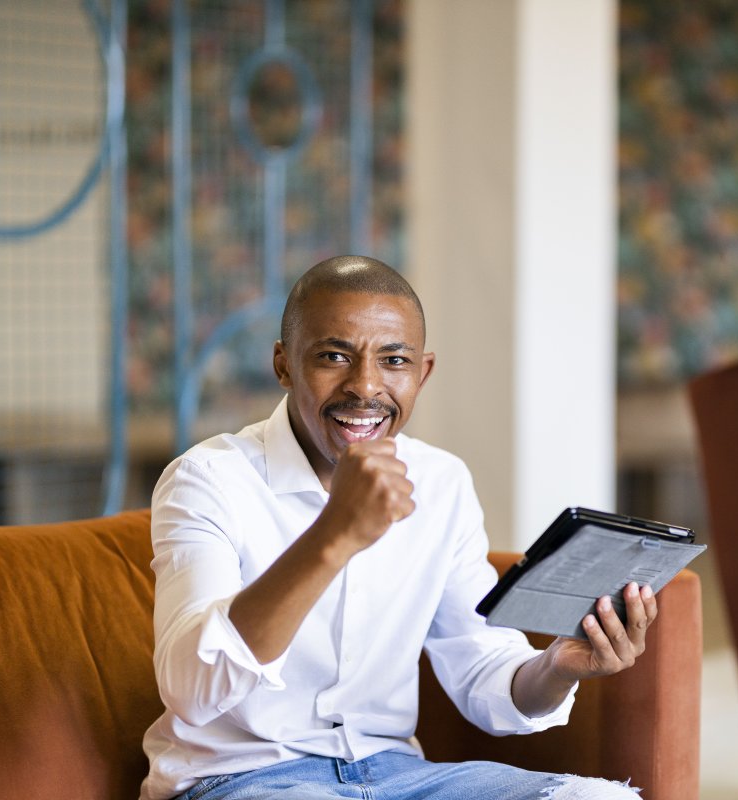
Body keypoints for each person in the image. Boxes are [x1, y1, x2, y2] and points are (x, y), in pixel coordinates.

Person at [141, 255, 659, 800]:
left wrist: (556, 667)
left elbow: (481, 662)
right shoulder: (207, 479)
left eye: (393, 360)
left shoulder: (441, 482)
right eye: (333, 356)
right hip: (241, 778)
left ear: (422, 372)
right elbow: (193, 690)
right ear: (284, 364)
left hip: (397, 776)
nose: (365, 386)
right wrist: (334, 535)